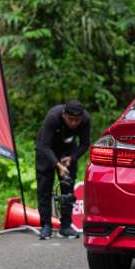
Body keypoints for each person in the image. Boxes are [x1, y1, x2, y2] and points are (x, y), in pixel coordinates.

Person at [35, 100, 90, 240]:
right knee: (44, 187)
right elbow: (45, 146)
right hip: (46, 148)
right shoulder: (53, 117)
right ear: (64, 115)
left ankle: (65, 226)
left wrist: (73, 157)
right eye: (70, 119)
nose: (73, 123)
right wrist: (57, 165)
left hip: (67, 151)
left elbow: (85, 144)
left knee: (68, 186)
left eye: (77, 120)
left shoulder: (85, 120)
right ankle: (46, 225)